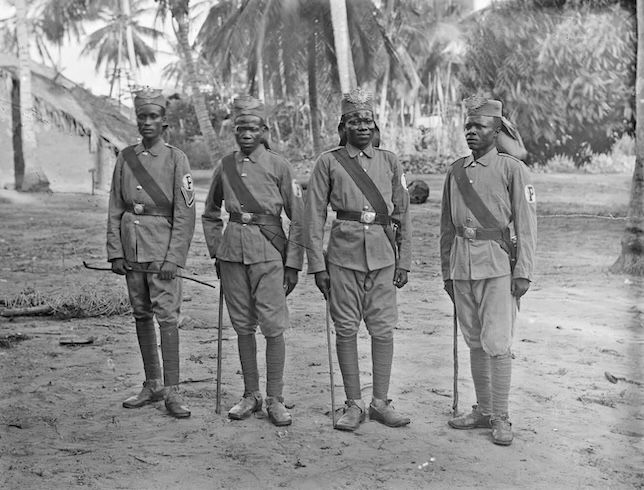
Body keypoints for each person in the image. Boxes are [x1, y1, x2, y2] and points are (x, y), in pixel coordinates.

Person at [304, 88, 413, 432]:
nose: (362, 126)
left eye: (367, 120)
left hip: (383, 256)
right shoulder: (328, 161)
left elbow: (404, 214)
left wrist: (404, 260)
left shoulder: (390, 161)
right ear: (343, 125)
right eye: (355, 120)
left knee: (383, 329)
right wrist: (318, 267)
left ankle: (380, 402)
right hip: (343, 258)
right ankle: (353, 403)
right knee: (347, 328)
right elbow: (313, 217)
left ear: (374, 125)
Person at [202, 95, 304, 427]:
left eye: (252, 128)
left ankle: (275, 398)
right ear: (234, 130)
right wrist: (217, 250)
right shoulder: (224, 165)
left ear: (264, 130)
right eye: (240, 128)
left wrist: (293, 263)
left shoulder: (279, 166)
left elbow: (298, 219)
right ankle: (250, 394)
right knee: (242, 325)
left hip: (270, 254)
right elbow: (209, 213)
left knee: (273, 327)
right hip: (232, 254)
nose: (245, 133)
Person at [440, 96, 537, 446]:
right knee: (474, 341)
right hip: (462, 267)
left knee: (497, 343)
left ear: (496, 132)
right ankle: (482, 409)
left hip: (498, 267)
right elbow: (446, 229)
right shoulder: (455, 171)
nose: (471, 132)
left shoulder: (513, 169)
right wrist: (446, 272)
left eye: (479, 127)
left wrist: (523, 270)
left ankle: (501, 416)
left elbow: (526, 225)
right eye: (467, 126)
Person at [106, 88, 196, 418]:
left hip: (162, 251)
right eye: (142, 117)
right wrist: (115, 252)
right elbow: (116, 206)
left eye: (153, 117)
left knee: (167, 316)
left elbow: (185, 214)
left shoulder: (176, 159)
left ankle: (172, 390)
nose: (147, 122)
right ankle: (152, 383)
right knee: (141, 314)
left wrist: (174, 258)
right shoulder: (125, 157)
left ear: (164, 122)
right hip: (132, 250)